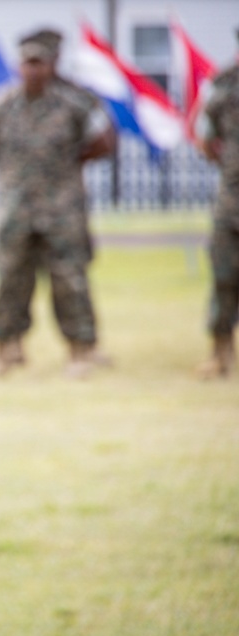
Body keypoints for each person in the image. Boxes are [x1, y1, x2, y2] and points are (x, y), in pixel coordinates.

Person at [0, 29, 115, 379]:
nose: (33, 70)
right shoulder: (1, 103)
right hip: (15, 209)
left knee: (69, 280)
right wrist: (5, 161)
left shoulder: (73, 104)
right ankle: (5, 349)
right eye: (27, 64)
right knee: (9, 280)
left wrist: (71, 161)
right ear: (19, 66)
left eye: (39, 64)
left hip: (62, 210)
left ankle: (80, 351)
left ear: (50, 66)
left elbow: (104, 141)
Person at [194, 29, 239, 379]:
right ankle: (220, 351)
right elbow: (205, 138)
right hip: (232, 200)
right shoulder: (223, 88)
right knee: (224, 275)